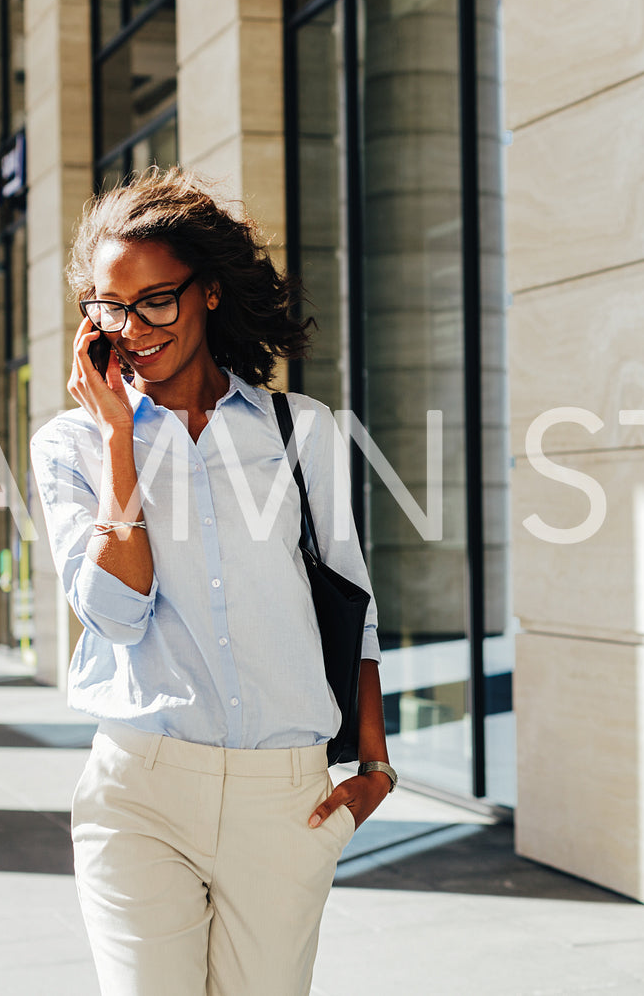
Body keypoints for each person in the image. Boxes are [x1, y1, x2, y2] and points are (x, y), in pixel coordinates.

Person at [29, 167, 395, 996]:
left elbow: (352, 605)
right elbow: (115, 614)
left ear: (211, 294)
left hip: (283, 796)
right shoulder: (70, 447)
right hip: (141, 788)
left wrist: (373, 770)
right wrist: (120, 438)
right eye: (109, 307)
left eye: (156, 300)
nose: (131, 328)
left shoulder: (301, 432)